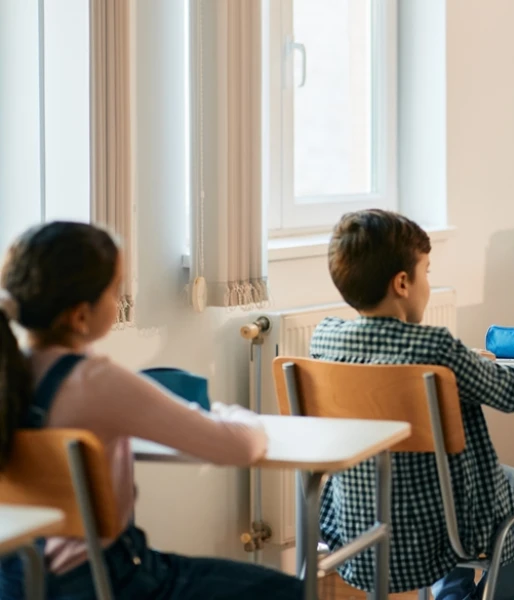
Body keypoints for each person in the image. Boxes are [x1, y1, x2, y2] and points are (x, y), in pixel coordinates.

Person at [313, 209, 514, 599]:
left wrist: (467, 362)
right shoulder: (436, 349)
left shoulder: (326, 339)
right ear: (403, 283)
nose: (428, 282)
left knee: (451, 488)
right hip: (441, 526)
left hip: (358, 519)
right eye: (427, 271)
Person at [0, 222, 303, 598]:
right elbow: (241, 446)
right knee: (294, 592)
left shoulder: (9, 375)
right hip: (106, 582)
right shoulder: (96, 381)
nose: (120, 299)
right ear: (80, 316)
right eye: (115, 290)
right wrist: (238, 414)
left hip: (17, 582)